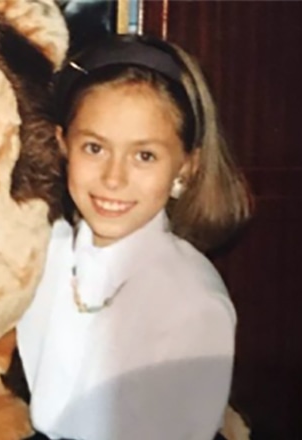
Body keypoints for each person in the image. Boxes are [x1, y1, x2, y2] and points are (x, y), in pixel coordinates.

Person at [17, 33, 252, 440]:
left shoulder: (192, 301)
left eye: (144, 156)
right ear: (62, 144)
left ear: (186, 166)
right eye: (94, 148)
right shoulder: (43, 252)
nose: (113, 178)